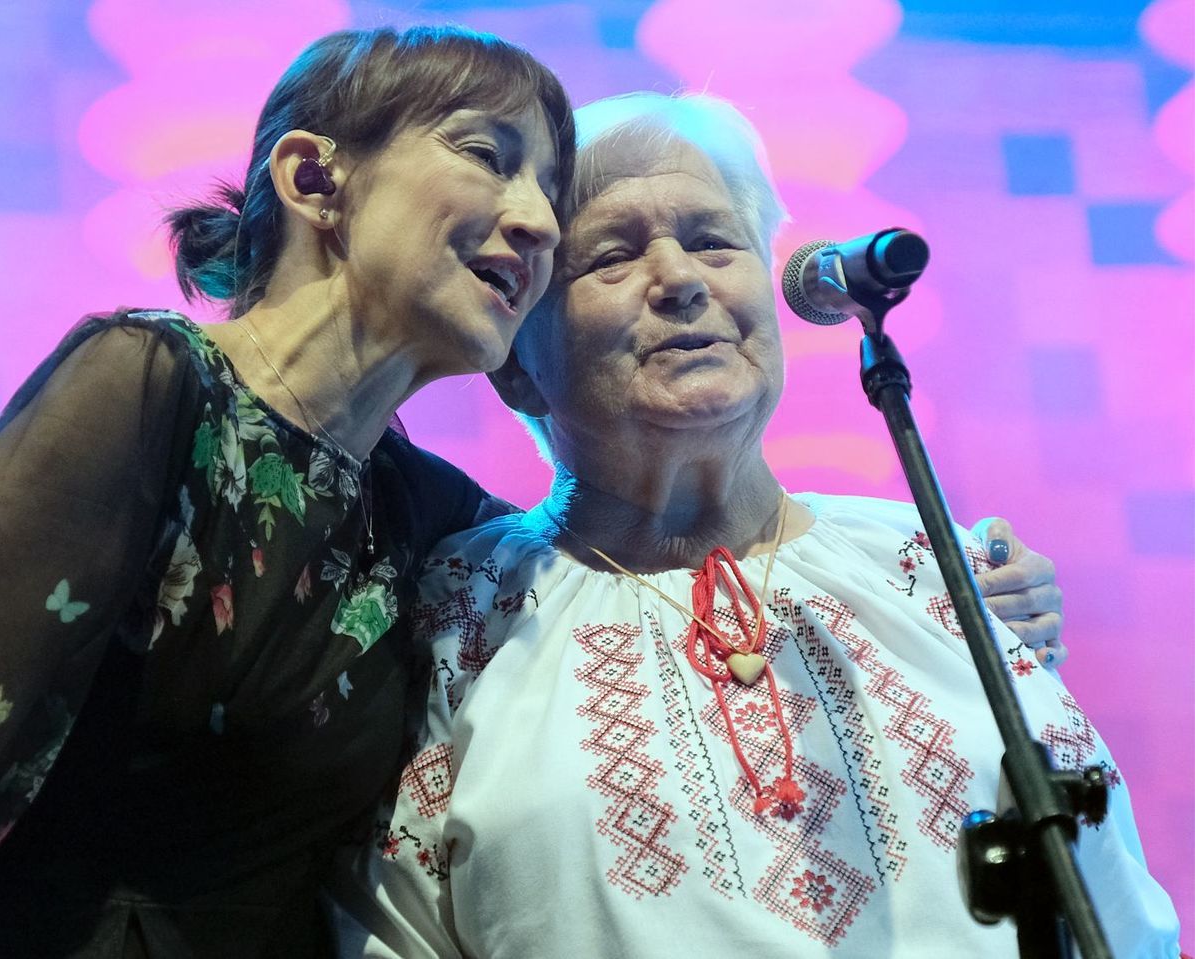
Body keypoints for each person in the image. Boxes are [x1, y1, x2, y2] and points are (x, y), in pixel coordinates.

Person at [330, 93, 1180, 957]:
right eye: (612, 256)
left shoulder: (929, 565)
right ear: (515, 366)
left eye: (714, 241)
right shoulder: (458, 613)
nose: (681, 279)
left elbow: (1111, 910)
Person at [0, 25, 572, 958]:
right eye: (488, 155)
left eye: (552, 192)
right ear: (314, 179)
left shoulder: (426, 512)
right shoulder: (146, 384)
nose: (543, 222)